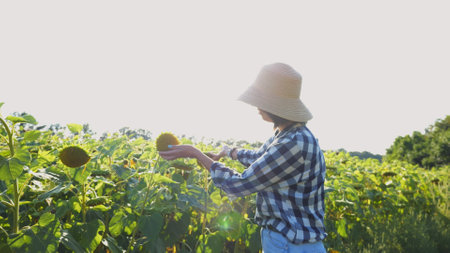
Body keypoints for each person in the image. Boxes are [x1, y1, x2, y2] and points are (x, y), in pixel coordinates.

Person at [159, 63, 327, 253]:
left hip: (291, 244)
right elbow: (259, 158)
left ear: (276, 105)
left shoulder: (292, 144)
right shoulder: (289, 135)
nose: (257, 106)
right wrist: (228, 151)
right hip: (294, 241)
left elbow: (239, 185)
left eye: (261, 100)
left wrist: (195, 153)